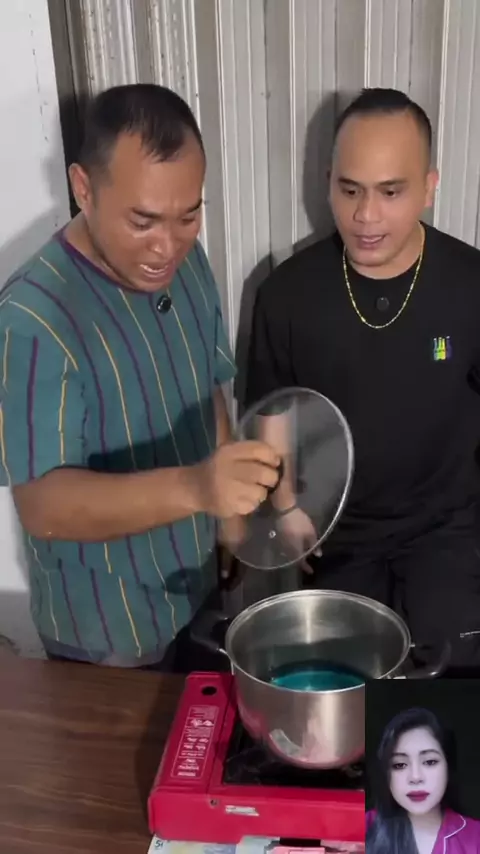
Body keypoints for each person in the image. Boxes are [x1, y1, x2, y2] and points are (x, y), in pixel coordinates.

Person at [0, 84, 280, 670]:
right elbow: (44, 507)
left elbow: (207, 386)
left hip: (196, 585)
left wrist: (230, 520)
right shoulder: (32, 320)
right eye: (142, 220)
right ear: (83, 188)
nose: (166, 246)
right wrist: (199, 488)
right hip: (108, 630)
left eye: (189, 215)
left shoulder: (186, 262)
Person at [246, 87, 480, 674]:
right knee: (349, 700)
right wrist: (288, 511)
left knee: (449, 698)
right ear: (328, 182)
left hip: (448, 536)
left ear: (428, 186)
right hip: (341, 539)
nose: (366, 216)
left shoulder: (470, 284)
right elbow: (271, 414)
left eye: (390, 192)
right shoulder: (287, 295)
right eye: (349, 190)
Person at [366, 707, 480, 853]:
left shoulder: (475, 837)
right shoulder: (364, 827)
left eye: (430, 762)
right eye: (400, 765)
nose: (415, 777)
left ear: (448, 766)